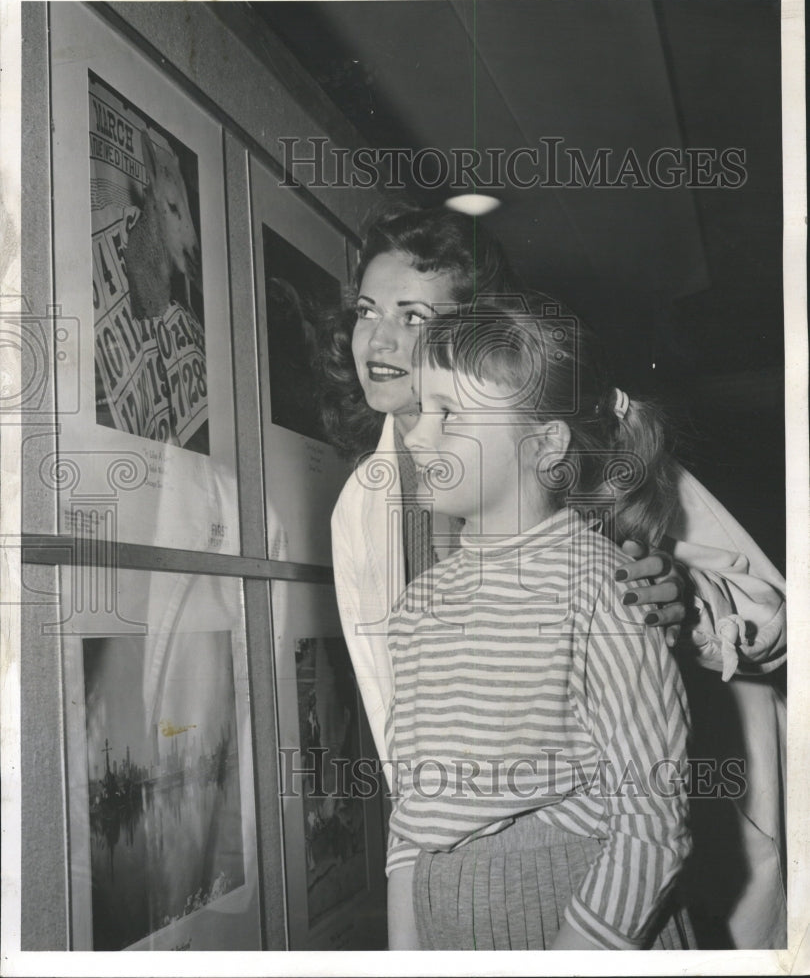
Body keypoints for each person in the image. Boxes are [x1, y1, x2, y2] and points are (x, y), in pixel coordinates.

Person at [324, 205, 786, 947]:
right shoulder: (361, 506)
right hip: (460, 881)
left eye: (413, 316)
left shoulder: (588, 443)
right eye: (367, 310)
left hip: (617, 869)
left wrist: (690, 603)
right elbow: (404, 741)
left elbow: (772, 615)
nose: (377, 340)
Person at [384, 301, 695, 949]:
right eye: (419, 410)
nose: (415, 435)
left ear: (546, 443)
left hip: (574, 921)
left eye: (450, 415)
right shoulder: (420, 603)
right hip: (446, 923)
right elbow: (412, 809)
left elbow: (653, 823)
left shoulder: (599, 588)